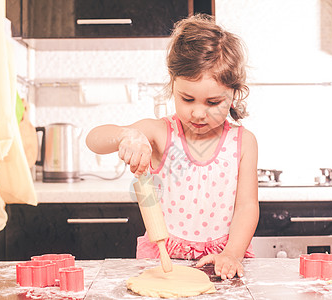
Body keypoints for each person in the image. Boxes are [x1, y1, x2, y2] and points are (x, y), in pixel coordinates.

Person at [86, 14, 259, 280]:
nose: (199, 113)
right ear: (173, 83)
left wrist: (233, 253)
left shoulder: (243, 142)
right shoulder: (160, 133)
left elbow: (246, 206)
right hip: (164, 259)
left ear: (234, 94)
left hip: (220, 260)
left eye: (213, 103)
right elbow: (95, 139)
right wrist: (126, 135)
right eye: (187, 99)